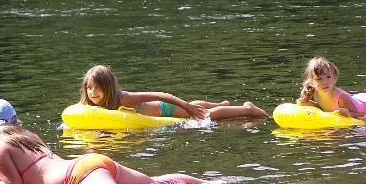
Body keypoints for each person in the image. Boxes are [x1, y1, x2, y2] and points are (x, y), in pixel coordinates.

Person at [0, 99, 208, 184]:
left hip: (77, 178)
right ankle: (206, 181)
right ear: (15, 121)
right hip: (89, 163)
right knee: (154, 182)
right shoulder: (28, 136)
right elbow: (28, 175)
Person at [79, 64, 267, 120]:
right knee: (193, 106)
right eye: (89, 88)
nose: (93, 92)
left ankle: (246, 109)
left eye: (98, 88)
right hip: (163, 108)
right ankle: (219, 103)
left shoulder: (123, 98)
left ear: (108, 88)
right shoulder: (91, 104)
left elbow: (161, 95)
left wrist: (185, 106)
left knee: (205, 115)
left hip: (165, 108)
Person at [296, 56, 366, 117]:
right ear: (311, 83)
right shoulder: (314, 94)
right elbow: (323, 108)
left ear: (335, 78)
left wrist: (348, 113)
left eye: (328, 77)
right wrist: (308, 103)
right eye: (319, 79)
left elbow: (356, 114)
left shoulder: (340, 96)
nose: (325, 82)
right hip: (357, 99)